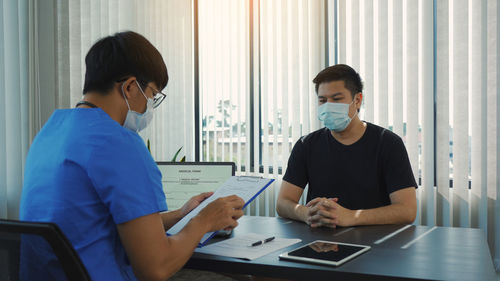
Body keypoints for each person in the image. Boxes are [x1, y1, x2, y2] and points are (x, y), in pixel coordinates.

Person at [19, 31, 244, 281]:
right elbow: (155, 269)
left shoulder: (50, 133)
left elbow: (101, 225)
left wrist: (182, 214)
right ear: (129, 87)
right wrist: (204, 221)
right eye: (152, 95)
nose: (149, 105)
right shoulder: (120, 143)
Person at [276, 64, 417, 229]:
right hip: (319, 243)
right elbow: (283, 203)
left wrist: (351, 217)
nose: (328, 106)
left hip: (376, 243)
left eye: (336, 99)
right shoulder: (306, 144)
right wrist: (306, 213)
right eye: (322, 100)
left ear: (357, 100)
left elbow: (407, 211)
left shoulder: (388, 143)